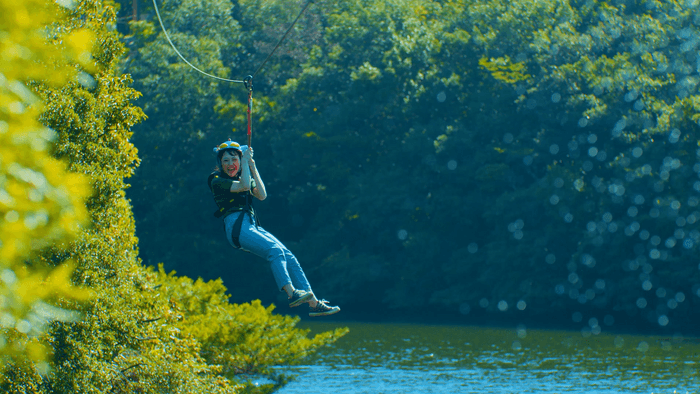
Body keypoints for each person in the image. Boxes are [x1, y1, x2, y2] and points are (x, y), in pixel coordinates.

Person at [208, 139, 340, 317]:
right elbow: (245, 186)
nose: (230, 164)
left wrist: (252, 166)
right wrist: (245, 162)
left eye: (234, 159)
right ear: (220, 164)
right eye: (226, 161)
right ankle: (292, 293)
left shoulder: (244, 174)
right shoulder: (217, 180)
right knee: (274, 250)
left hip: (250, 224)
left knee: (289, 256)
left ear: (239, 161)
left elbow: (261, 195)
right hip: (236, 227)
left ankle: (314, 303)